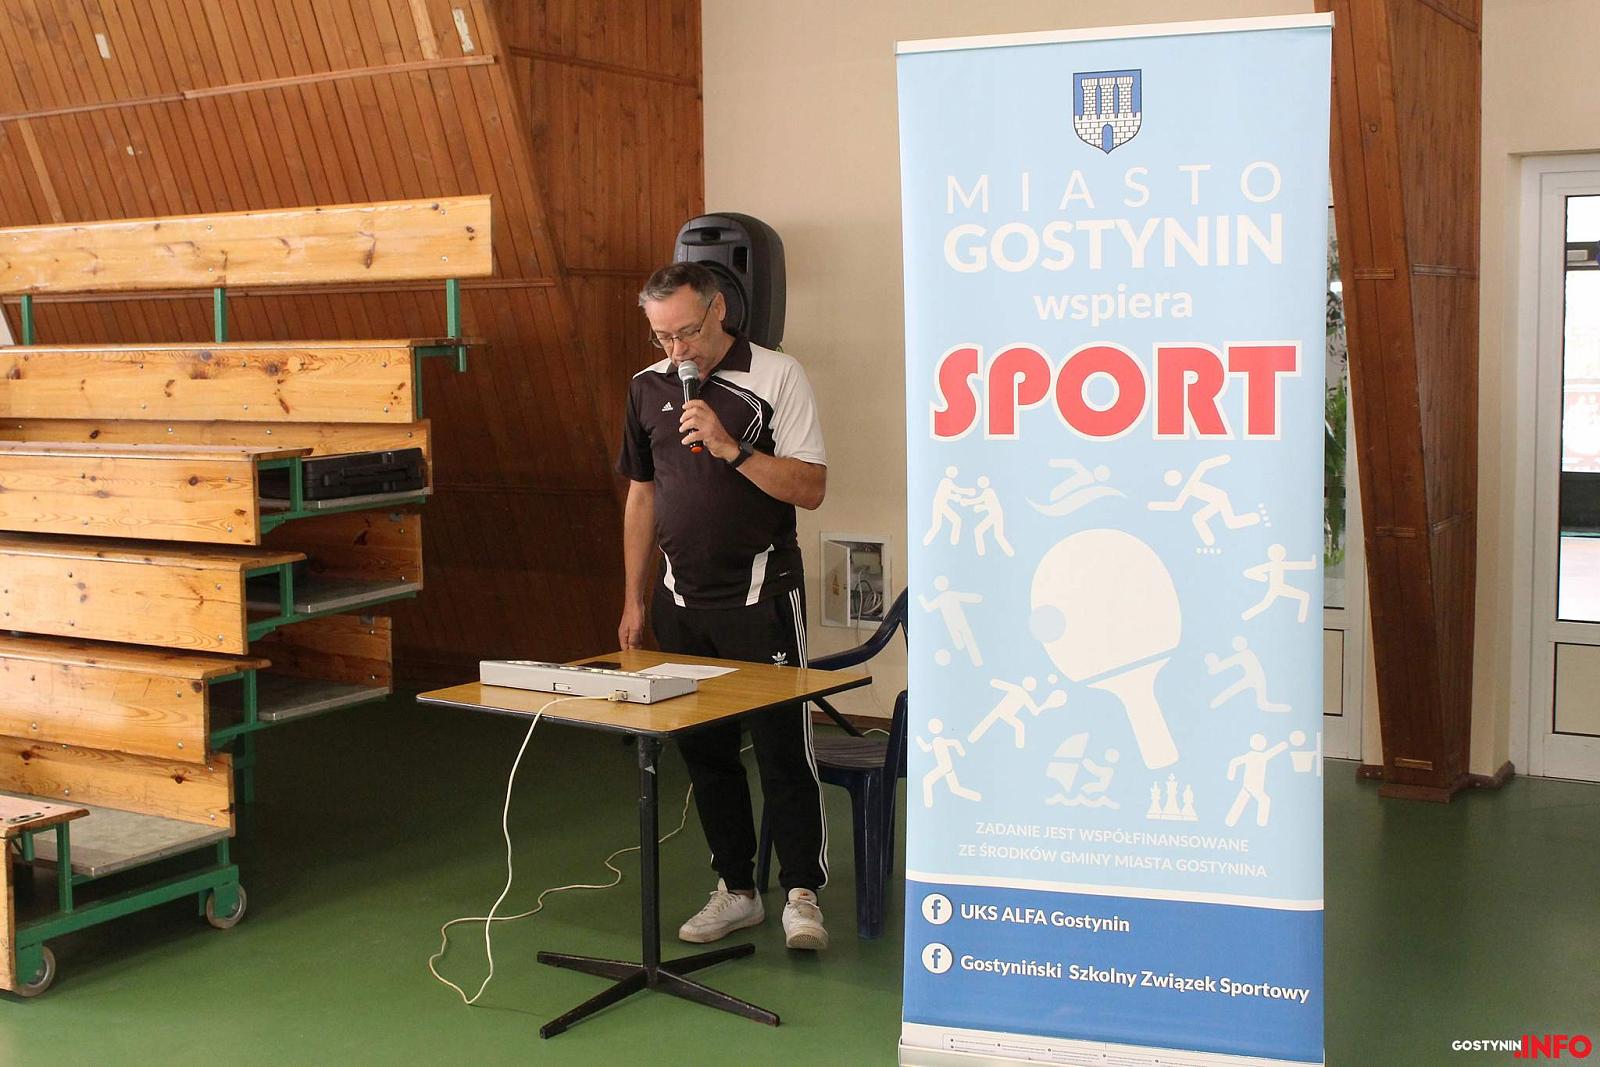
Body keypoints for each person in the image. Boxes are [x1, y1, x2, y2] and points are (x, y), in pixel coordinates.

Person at [615, 262, 831, 951]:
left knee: (781, 749)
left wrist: (732, 449)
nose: (676, 350)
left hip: (762, 598)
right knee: (705, 752)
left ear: (717, 311)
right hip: (680, 602)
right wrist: (633, 598)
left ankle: (802, 893)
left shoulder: (777, 375)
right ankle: (737, 889)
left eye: (685, 332)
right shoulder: (646, 387)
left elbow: (811, 488)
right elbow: (642, 494)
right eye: (662, 337)